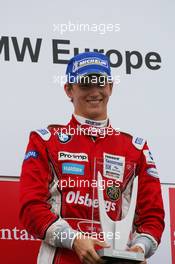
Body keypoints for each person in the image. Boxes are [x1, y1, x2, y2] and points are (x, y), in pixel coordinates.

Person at [19, 52, 165, 264]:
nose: (95, 92)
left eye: (101, 84)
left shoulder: (135, 149)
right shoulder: (46, 141)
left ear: (111, 88)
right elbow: (31, 209)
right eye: (85, 85)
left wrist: (139, 248)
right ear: (69, 89)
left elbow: (152, 216)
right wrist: (74, 239)